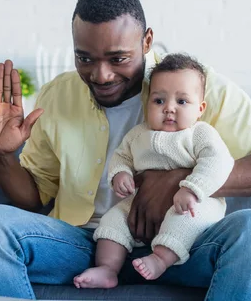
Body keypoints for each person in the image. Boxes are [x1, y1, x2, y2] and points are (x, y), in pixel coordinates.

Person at [0, 0, 251, 301]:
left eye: (118, 58)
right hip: (86, 243)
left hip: (183, 243)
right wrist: (0, 156)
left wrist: (181, 181)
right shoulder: (58, 95)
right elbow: (34, 194)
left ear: (146, 41)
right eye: (85, 58)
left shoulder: (195, 87)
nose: (100, 75)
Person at [74, 53, 235, 288]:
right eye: (159, 101)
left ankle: (160, 259)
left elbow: (219, 161)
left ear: (200, 108)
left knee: (184, 220)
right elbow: (122, 156)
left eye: (181, 102)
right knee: (112, 220)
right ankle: (108, 269)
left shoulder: (199, 134)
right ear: (148, 102)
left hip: (193, 203)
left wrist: (192, 189)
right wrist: (121, 174)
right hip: (139, 202)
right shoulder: (139, 134)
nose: (169, 109)